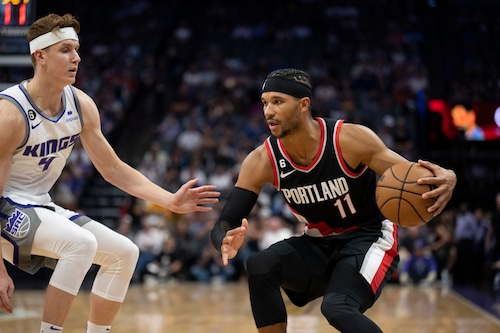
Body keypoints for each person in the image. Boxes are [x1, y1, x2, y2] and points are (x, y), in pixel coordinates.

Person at [0, 13, 219, 333]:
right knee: (81, 244)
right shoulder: (10, 114)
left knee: (124, 253)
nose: (77, 57)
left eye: (77, 49)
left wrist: (170, 200)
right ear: (40, 56)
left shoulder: (81, 105)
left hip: (39, 205)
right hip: (5, 207)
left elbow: (113, 168)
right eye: (65, 50)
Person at [210, 68, 456, 333]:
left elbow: (414, 178)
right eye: (265, 103)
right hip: (318, 243)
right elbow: (226, 220)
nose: (268, 111)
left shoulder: (349, 139)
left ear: (304, 104)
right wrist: (223, 239)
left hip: (368, 237)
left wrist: (450, 176)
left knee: (337, 306)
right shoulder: (261, 161)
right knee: (259, 266)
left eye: (278, 102)